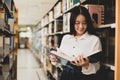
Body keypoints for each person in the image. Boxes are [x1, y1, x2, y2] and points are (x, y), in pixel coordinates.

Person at [49, 5, 102, 80]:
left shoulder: (94, 40)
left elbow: (97, 67)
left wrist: (86, 65)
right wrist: (55, 60)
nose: (81, 26)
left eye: (84, 23)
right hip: (65, 76)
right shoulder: (66, 38)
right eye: (77, 23)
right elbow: (62, 64)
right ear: (72, 23)